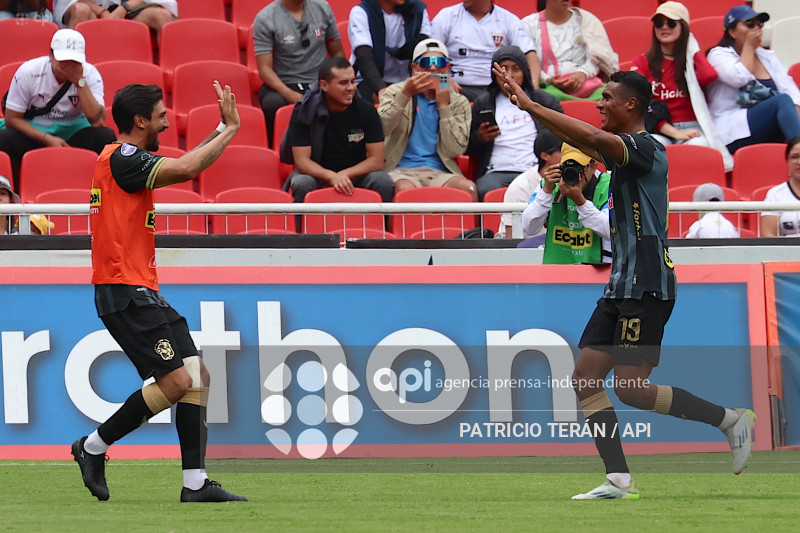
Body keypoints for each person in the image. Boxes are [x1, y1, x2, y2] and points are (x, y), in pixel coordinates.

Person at [495, 66, 756, 499]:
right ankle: (617, 478)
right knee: (585, 377)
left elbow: (594, 141)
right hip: (620, 284)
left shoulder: (648, 147)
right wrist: (534, 110)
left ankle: (729, 420)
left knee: (631, 389)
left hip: (648, 283)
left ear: (631, 104)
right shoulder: (620, 152)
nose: (600, 104)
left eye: (608, 98)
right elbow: (586, 141)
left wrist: (531, 104)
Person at [71, 81, 247, 503]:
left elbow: (185, 162)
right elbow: (186, 169)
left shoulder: (127, 160)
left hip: (143, 289)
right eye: (161, 113)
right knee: (176, 382)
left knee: (196, 378)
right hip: (123, 289)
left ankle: (195, 484)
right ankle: (92, 447)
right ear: (140, 120)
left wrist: (223, 127)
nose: (168, 119)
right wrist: (231, 131)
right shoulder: (123, 158)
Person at [0, 28, 116, 189]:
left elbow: (97, 121)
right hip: (35, 131)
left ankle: (101, 197)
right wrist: (47, 139)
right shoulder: (29, 71)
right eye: (63, 60)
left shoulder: (90, 74)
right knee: (3, 139)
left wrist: (79, 81)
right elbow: (12, 119)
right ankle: (14, 200)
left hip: (73, 131)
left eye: (74, 61)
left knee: (106, 137)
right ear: (51, 54)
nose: (69, 65)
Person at [631, 1, 733, 170]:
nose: (664, 27)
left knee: (699, 149)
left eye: (671, 23)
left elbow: (709, 75)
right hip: (658, 129)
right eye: (659, 23)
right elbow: (642, 105)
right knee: (651, 149)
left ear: (683, 27)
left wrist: (692, 48)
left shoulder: (691, 63)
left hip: (692, 128)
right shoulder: (642, 62)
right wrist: (675, 133)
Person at [281, 57, 394, 205]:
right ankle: (303, 228)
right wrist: (331, 176)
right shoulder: (304, 111)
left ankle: (381, 228)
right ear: (324, 85)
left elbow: (376, 160)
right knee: (302, 182)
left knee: (382, 181)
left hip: (355, 173)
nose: (351, 88)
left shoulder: (366, 110)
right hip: (317, 173)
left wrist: (343, 175)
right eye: (343, 83)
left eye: (353, 82)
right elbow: (302, 162)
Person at [378, 38, 476, 201]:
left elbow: (455, 150)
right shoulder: (395, 91)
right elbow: (381, 129)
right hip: (401, 170)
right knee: (405, 190)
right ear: (414, 68)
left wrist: (444, 106)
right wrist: (405, 95)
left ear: (447, 68)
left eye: (439, 62)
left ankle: (474, 229)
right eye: (425, 63)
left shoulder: (458, 101)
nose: (432, 68)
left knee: (468, 189)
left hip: (441, 171)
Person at [468, 45, 562, 200]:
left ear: (525, 72)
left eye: (515, 69)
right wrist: (479, 138)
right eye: (503, 69)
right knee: (485, 188)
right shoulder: (483, 103)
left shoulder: (544, 101)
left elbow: (563, 137)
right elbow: (468, 149)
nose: (508, 75)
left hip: (536, 168)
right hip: (496, 171)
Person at [706, 5, 800, 154]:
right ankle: (798, 150)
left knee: (787, 104)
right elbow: (739, 78)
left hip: (768, 125)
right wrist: (749, 46)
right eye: (749, 24)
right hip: (732, 129)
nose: (756, 28)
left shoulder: (767, 56)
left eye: (759, 24)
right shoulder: (717, 55)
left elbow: (790, 90)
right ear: (732, 32)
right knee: (781, 101)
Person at [254, 0, 344, 146]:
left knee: (351, 96)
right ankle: (274, 150)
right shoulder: (266, 18)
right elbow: (264, 69)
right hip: (285, 83)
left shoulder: (323, 8)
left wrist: (337, 82)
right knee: (271, 104)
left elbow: (338, 52)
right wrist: (291, 95)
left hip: (319, 81)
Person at [430, 0, 539, 102]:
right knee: (441, 86)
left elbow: (530, 55)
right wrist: (443, 79)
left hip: (497, 89)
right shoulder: (446, 17)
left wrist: (533, 91)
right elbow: (430, 55)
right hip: (456, 87)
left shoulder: (509, 20)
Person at [520, 143, 611, 264]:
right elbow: (529, 228)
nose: (574, 173)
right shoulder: (550, 184)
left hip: (598, 270)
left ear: (593, 166)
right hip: (558, 273)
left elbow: (610, 231)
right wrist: (546, 192)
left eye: (580, 167)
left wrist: (580, 202)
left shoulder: (608, 186)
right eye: (568, 166)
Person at [522, 0, 618, 102]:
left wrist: (583, 73)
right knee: (547, 98)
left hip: (588, 85)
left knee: (613, 96)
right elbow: (525, 63)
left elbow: (600, 56)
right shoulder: (528, 25)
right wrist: (548, 79)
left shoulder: (587, 21)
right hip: (548, 87)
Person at [348, 0, 431, 104]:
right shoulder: (361, 12)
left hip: (409, 80)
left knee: (443, 92)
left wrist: (443, 79)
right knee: (384, 106)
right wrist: (381, 89)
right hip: (371, 81)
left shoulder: (418, 10)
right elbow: (364, 56)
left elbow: (427, 51)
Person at [495, 129, 562, 239]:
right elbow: (511, 237)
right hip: (527, 249)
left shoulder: (579, 180)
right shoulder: (520, 187)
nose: (569, 155)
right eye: (562, 150)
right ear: (545, 156)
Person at [54, 0, 176, 38]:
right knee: (80, 10)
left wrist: (124, 8)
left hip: (127, 11)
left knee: (162, 16)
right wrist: (102, 12)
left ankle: (173, 73)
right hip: (91, 12)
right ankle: (69, 64)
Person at [761, 136, 800, 237]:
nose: (799, 162)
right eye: (794, 157)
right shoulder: (775, 194)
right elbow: (768, 235)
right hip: (786, 252)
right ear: (787, 161)